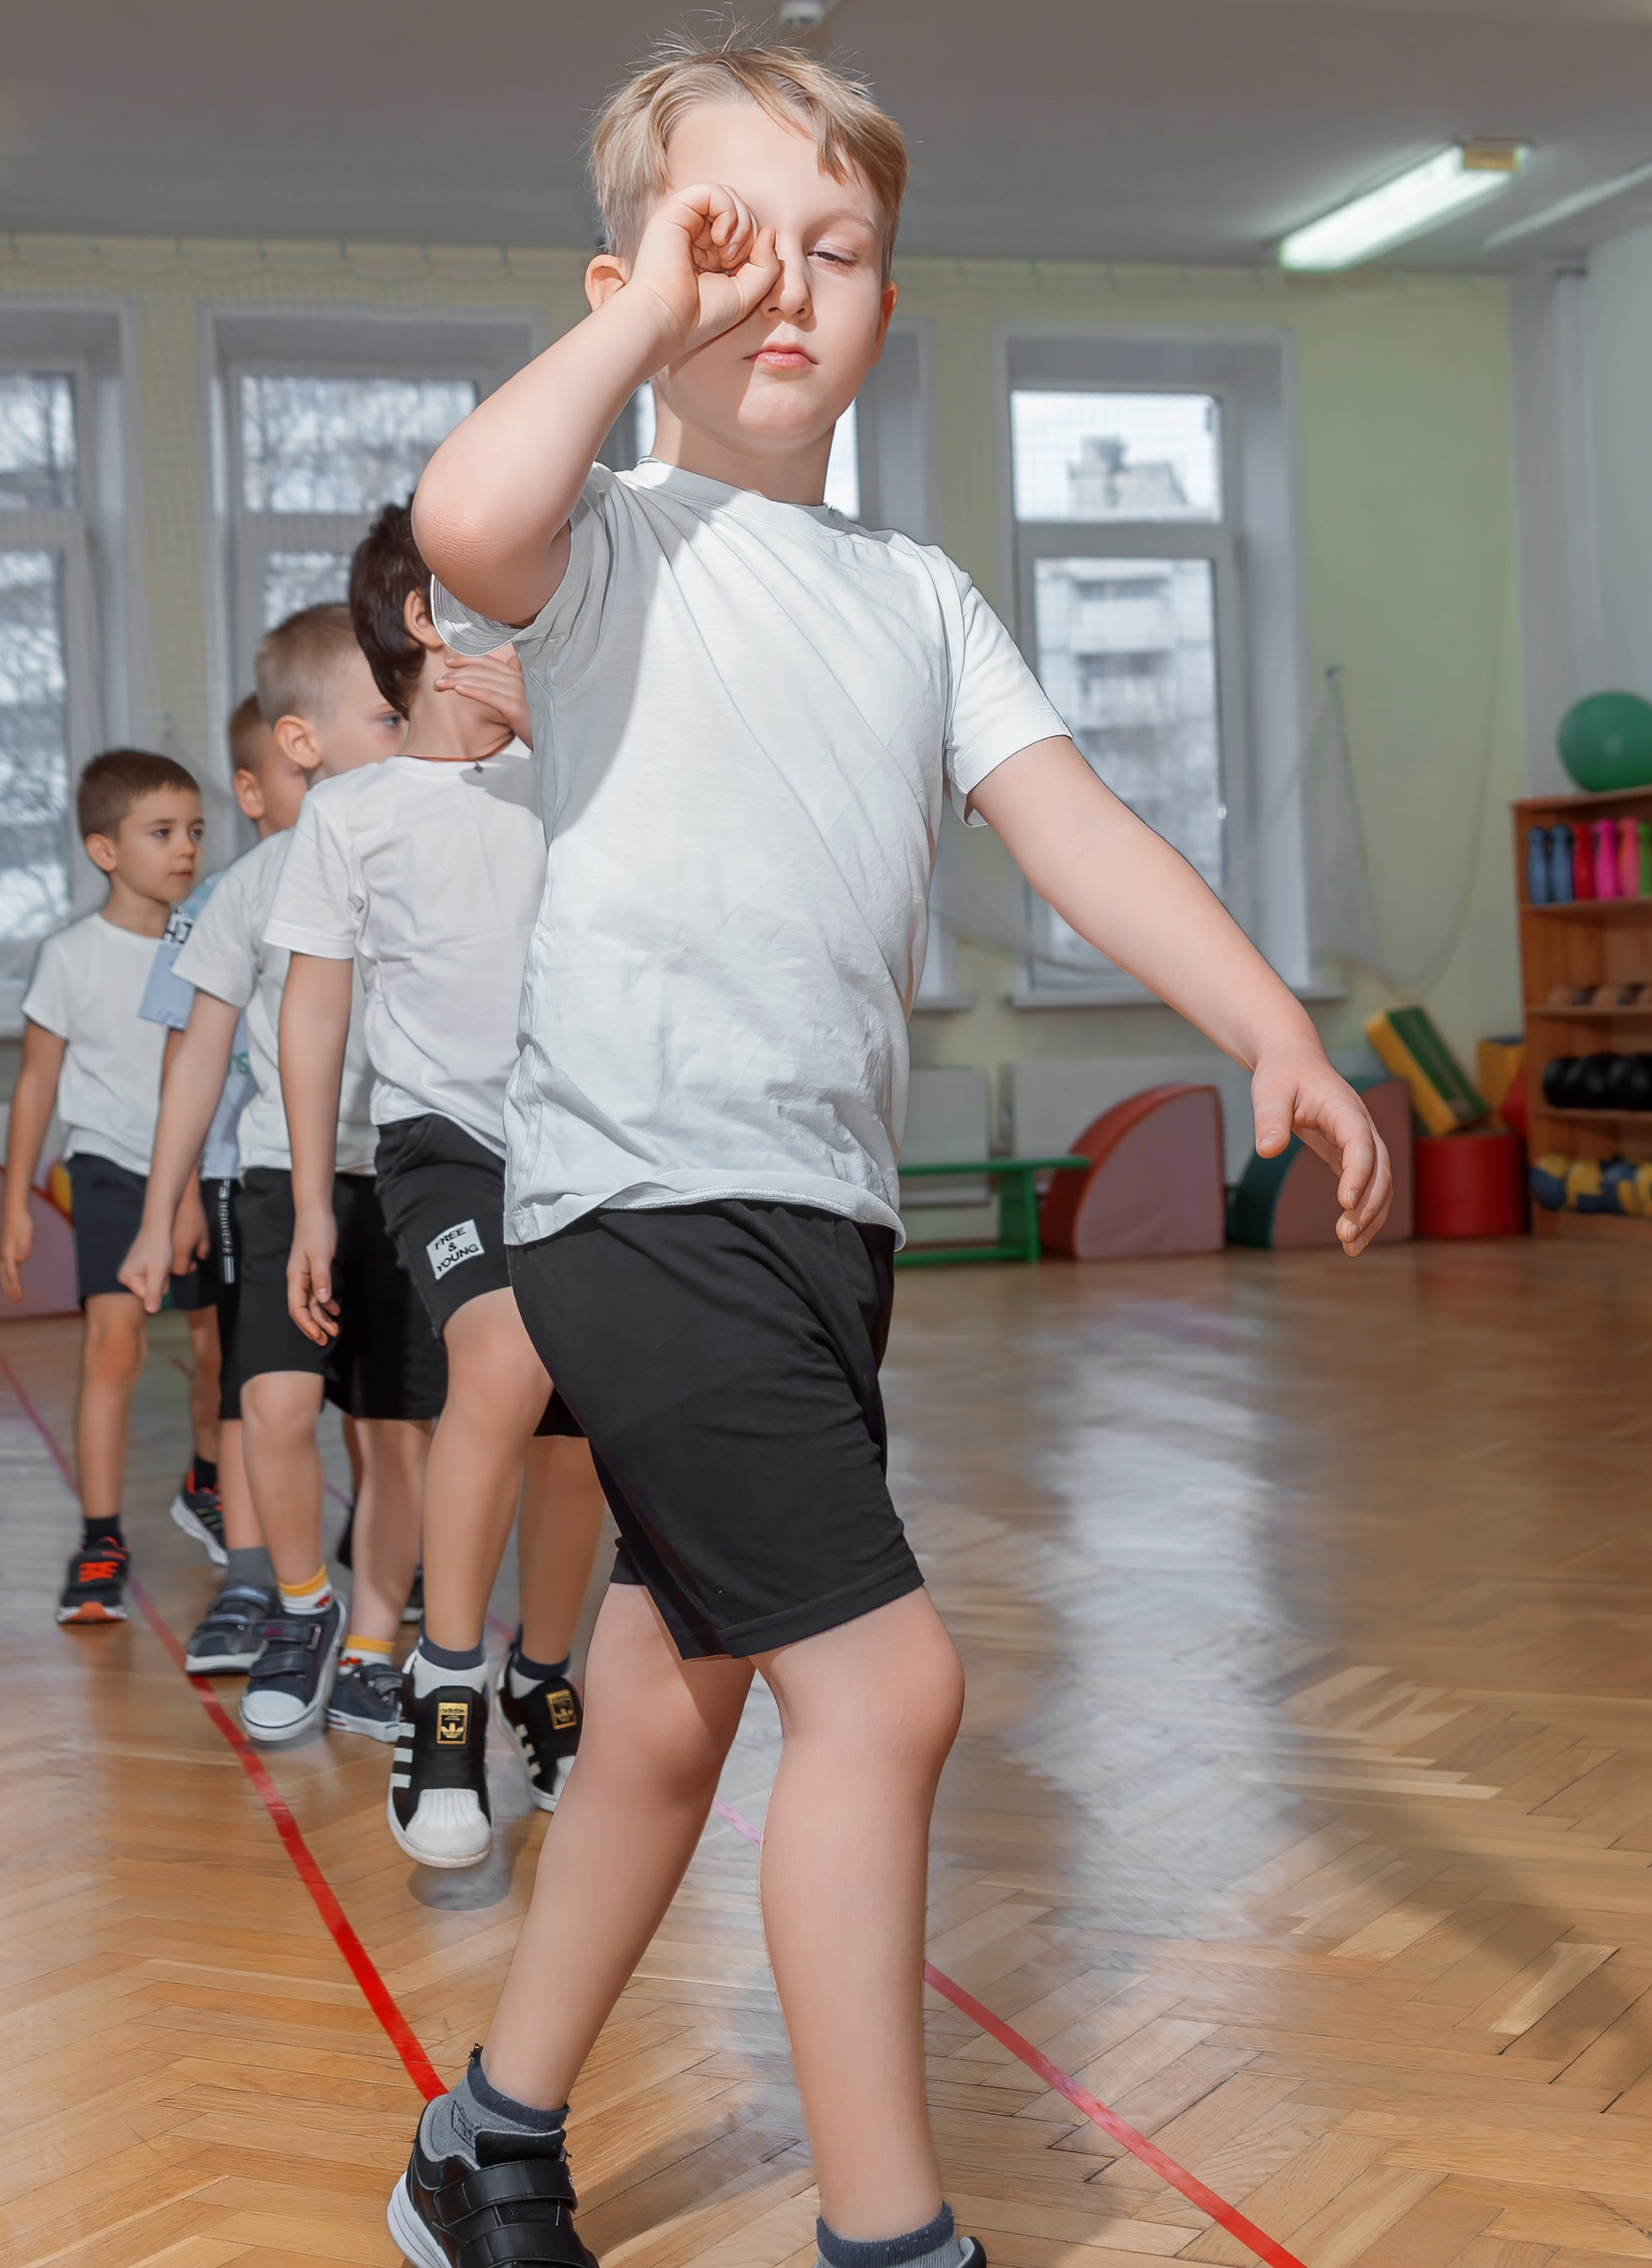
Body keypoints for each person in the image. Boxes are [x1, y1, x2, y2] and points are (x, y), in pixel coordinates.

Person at [386, 37, 1395, 2268]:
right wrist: (647, 306)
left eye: (831, 251)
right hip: (633, 1201)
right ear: (629, 279)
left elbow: (1075, 831)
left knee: (670, 1699)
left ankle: (490, 2136)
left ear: (883, 295)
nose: (784, 289)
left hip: (817, 1223)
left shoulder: (913, 595)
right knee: (890, 1682)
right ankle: (888, 2233)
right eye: (726, 246)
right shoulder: (605, 549)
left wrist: (1265, 1022)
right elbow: (460, 518)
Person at [273, 504, 603, 1872]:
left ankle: (543, 1671)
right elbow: (310, 1016)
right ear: (431, 621)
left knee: (578, 1434)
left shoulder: (576, 776)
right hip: (441, 1145)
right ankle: (447, 1682)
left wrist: (566, 731)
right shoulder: (351, 815)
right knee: (503, 1352)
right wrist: (307, 1204)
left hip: (590, 1142)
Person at [120, 605, 439, 1747]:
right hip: (275, 1181)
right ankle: (303, 1606)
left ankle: (372, 1640)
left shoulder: (434, 854)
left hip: (408, 1178)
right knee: (275, 1401)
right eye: (389, 715)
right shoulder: (251, 889)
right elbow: (199, 1053)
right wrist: (159, 1216)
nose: (413, 731)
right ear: (301, 743)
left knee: (397, 1433)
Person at [0, 749, 203, 1624]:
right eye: (161, 832)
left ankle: (212, 1480)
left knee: (222, 1351)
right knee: (112, 1348)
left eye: (195, 830)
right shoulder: (70, 955)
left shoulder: (210, 942)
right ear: (104, 850)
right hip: (110, 1166)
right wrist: (13, 1200)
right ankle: (102, 1536)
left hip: (200, 1168)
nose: (185, 848)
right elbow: (36, 1083)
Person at [136, 699, 289, 1573]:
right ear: (253, 788)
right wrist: (187, 1186)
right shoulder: (214, 906)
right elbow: (182, 1053)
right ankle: (232, 1520)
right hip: (234, 1170)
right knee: (229, 1354)